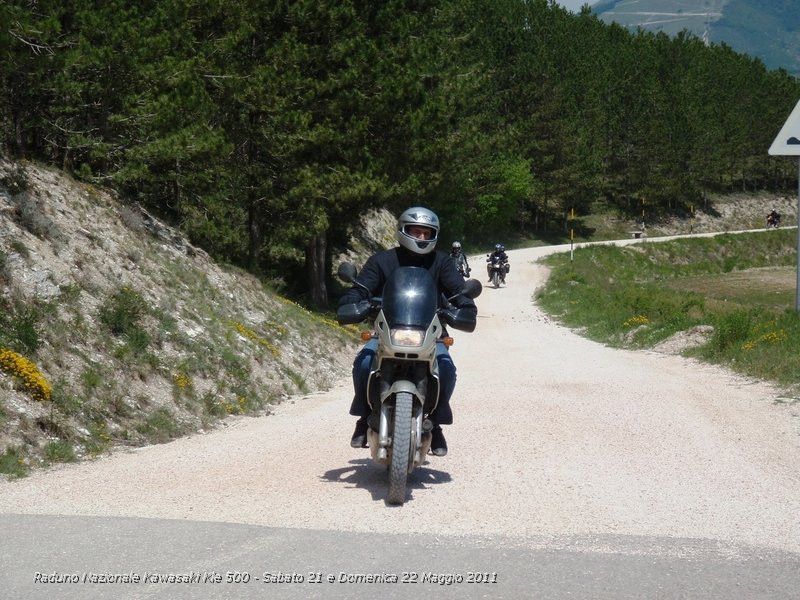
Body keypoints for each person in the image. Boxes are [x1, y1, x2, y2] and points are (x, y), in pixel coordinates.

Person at [338, 206, 477, 457]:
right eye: (416, 231)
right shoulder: (382, 260)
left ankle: (434, 423)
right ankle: (364, 415)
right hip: (387, 332)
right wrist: (354, 301)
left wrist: (464, 308)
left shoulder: (443, 263)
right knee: (364, 362)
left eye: (427, 233)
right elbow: (360, 289)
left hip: (430, 334)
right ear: (403, 230)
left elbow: (459, 293)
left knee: (446, 369)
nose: (422, 238)